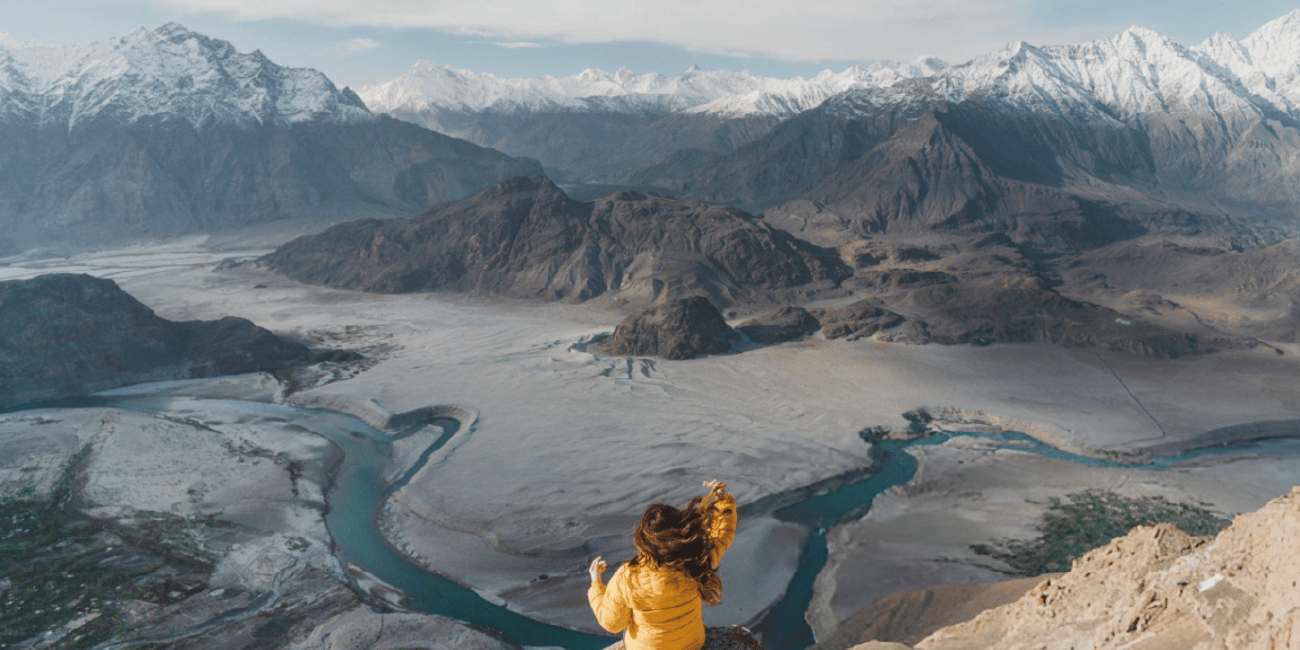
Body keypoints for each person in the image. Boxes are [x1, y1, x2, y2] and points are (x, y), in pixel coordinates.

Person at [587, 479, 737, 650]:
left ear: (644, 540)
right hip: (691, 645)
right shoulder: (696, 560)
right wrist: (723, 501)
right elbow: (721, 535)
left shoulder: (628, 577)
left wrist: (596, 584)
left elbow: (612, 623)